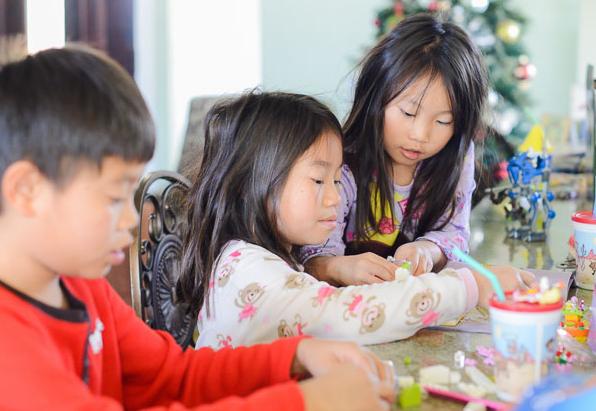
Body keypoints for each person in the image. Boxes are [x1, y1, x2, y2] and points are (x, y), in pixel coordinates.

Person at [0, 46, 394, 411]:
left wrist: (293, 357)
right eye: (114, 197)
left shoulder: (80, 285)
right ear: (28, 191)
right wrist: (301, 406)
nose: (130, 222)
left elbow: (169, 377)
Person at [179, 91, 531, 349]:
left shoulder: (265, 257)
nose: (335, 197)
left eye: (336, 180)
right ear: (246, 185)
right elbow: (346, 314)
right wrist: (468, 286)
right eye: (319, 180)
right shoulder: (248, 271)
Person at [301, 13, 493, 285]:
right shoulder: (343, 161)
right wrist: (338, 268)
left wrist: (426, 250)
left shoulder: (457, 156)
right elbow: (312, 256)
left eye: (443, 121)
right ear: (376, 97)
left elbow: (456, 234)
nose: (420, 135)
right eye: (407, 112)